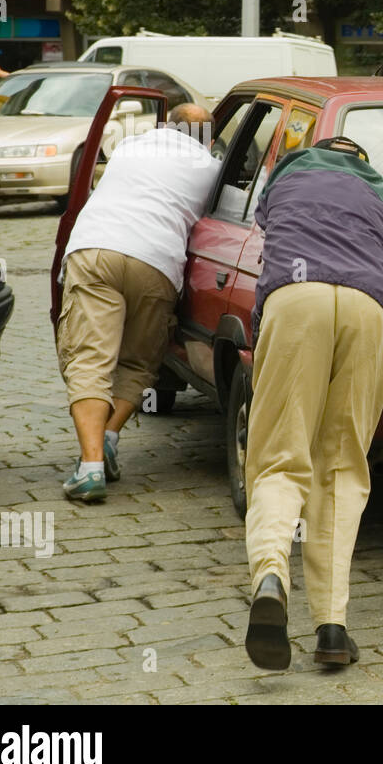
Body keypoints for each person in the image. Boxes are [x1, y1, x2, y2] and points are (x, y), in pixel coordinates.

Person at [243, 137, 383, 671]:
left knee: (279, 458)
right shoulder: (381, 196)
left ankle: (270, 573)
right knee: (341, 469)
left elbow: (265, 228)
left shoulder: (285, 179)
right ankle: (332, 627)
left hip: (296, 299)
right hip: (369, 307)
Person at [56, 103, 220, 502]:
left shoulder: (131, 146)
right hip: (156, 262)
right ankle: (109, 437)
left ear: (167, 125)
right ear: (209, 138)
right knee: (138, 360)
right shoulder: (212, 169)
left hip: (97, 248)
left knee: (90, 359)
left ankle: (91, 466)